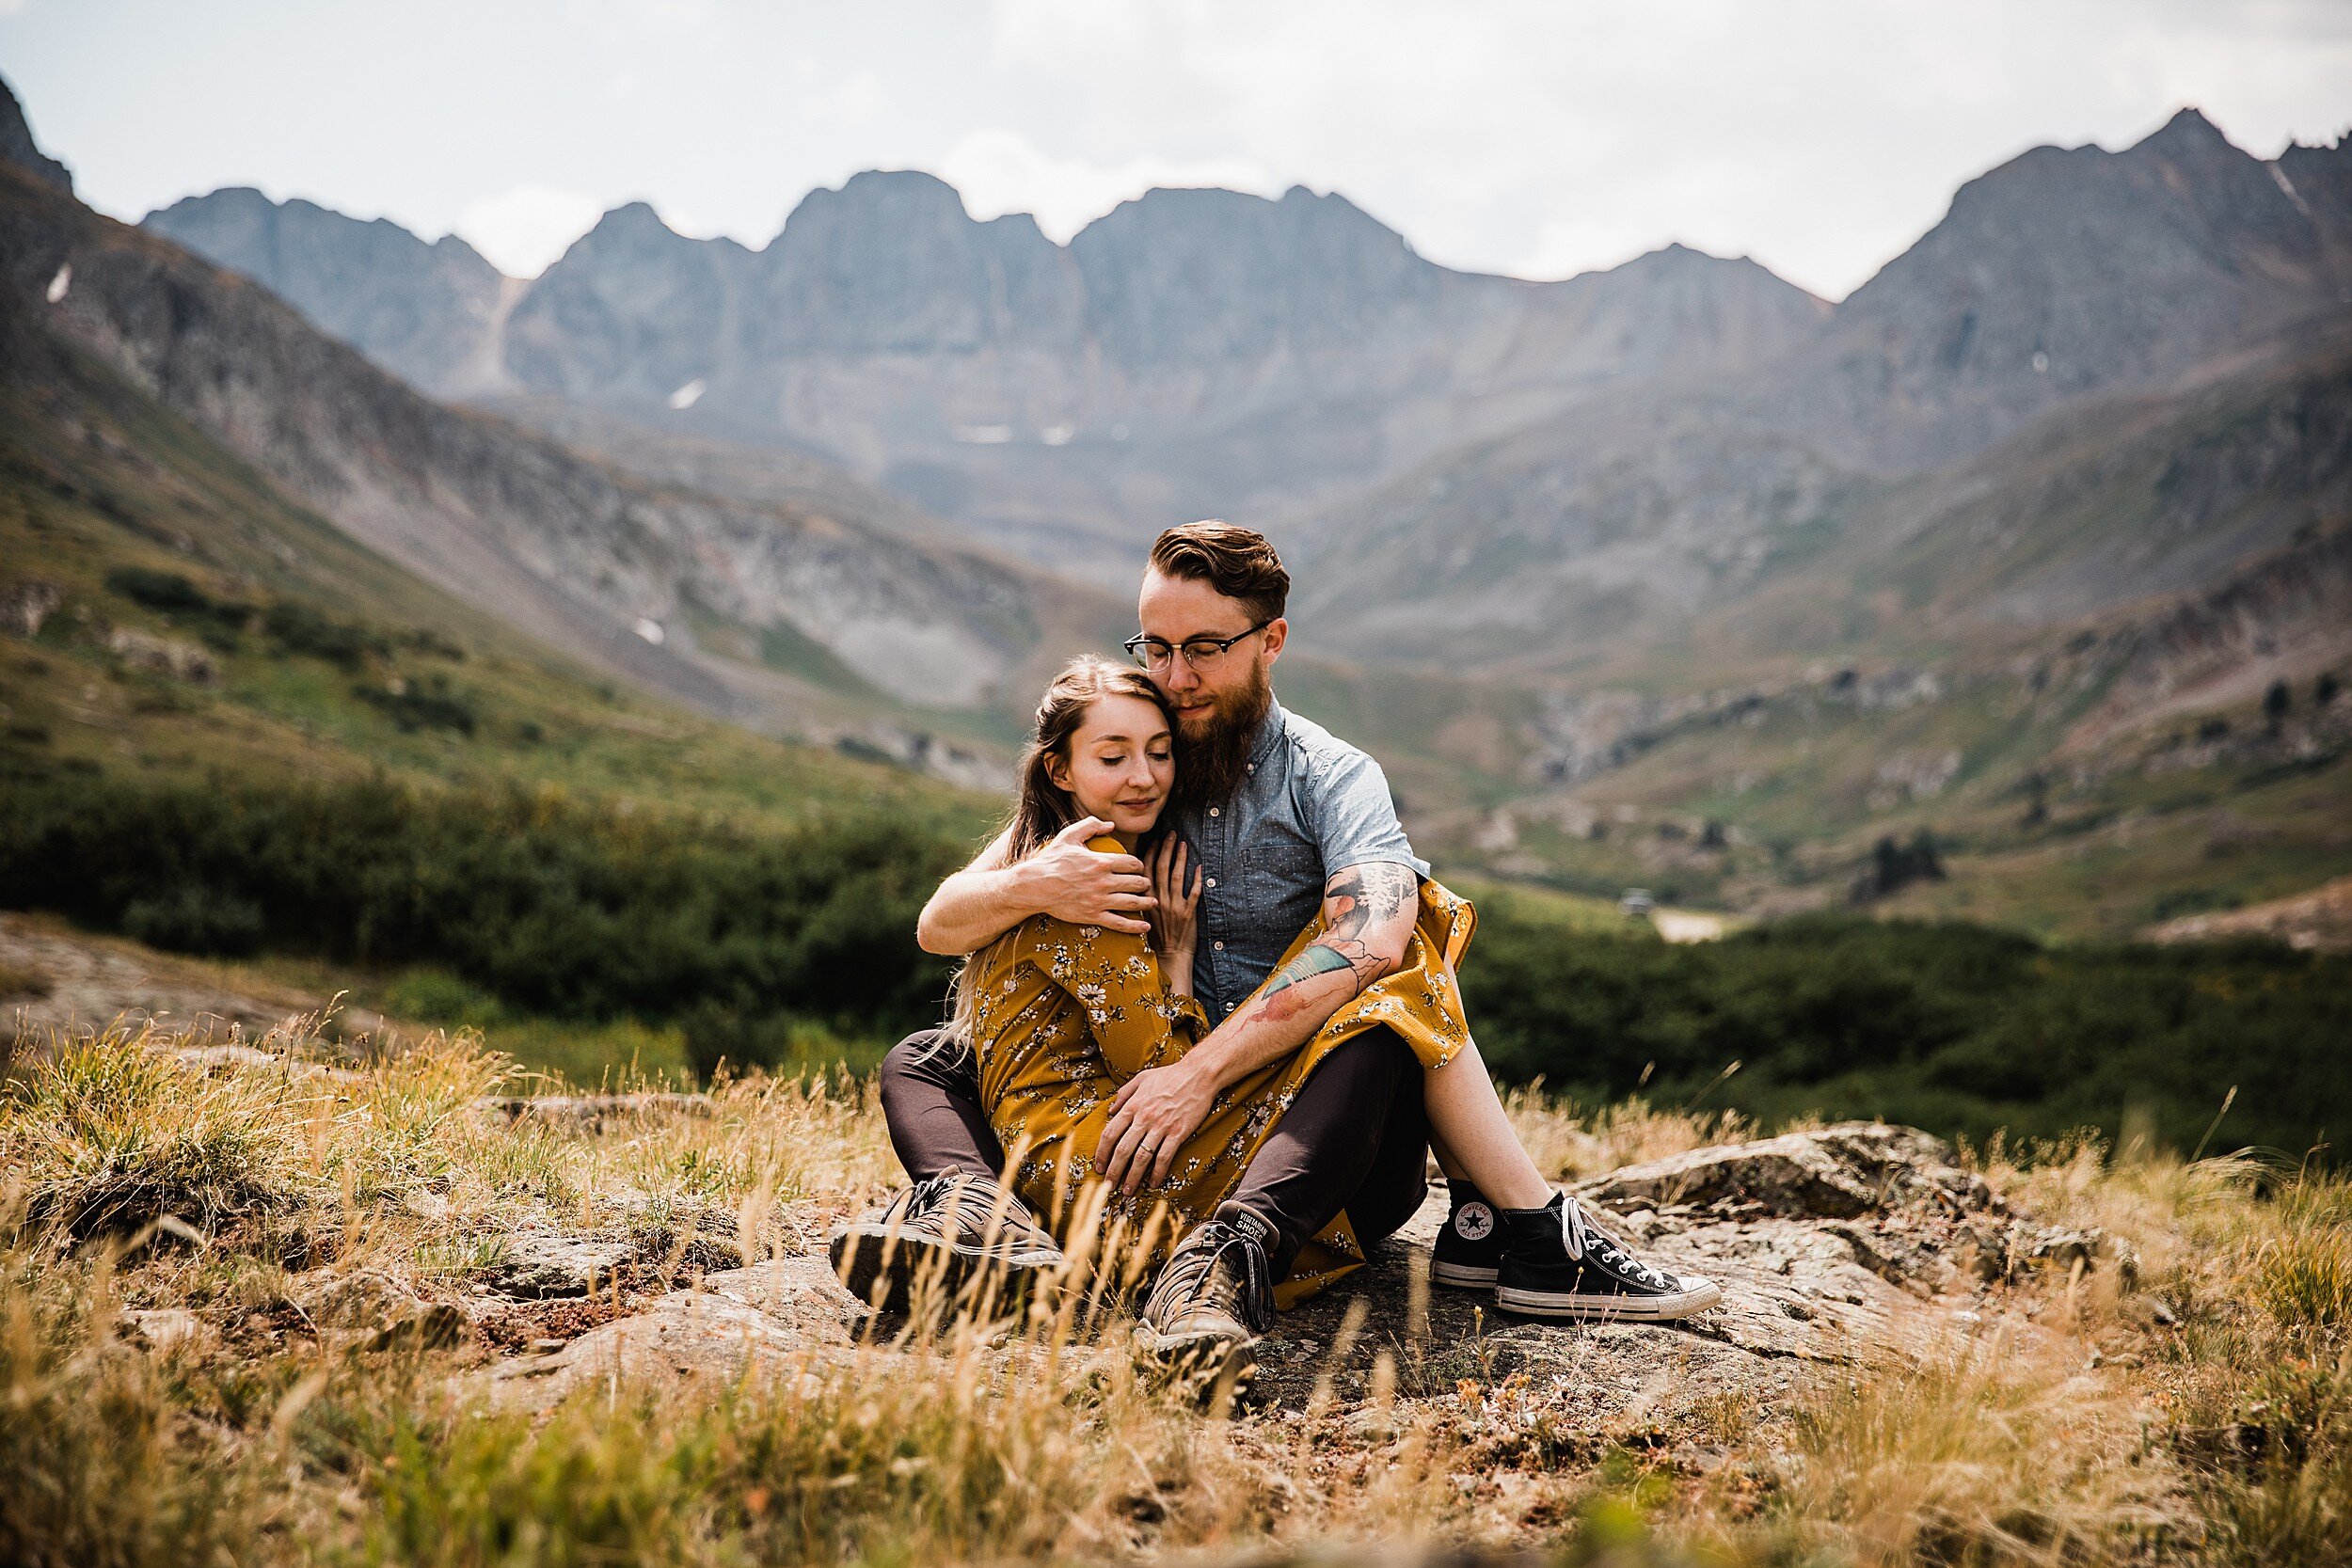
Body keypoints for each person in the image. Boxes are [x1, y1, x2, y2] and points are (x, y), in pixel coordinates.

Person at [832, 523, 1717, 1377]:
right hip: (1140, 1122)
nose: (1175, 677)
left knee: (1398, 963)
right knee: (931, 1055)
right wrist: (1036, 884)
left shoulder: (1330, 776)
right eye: (1155, 646)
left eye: (1204, 648)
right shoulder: (1136, 761)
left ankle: (1257, 1258)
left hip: (1312, 1140)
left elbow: (1375, 935)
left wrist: (1200, 1071)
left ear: (1272, 640)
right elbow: (940, 921)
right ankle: (980, 1227)